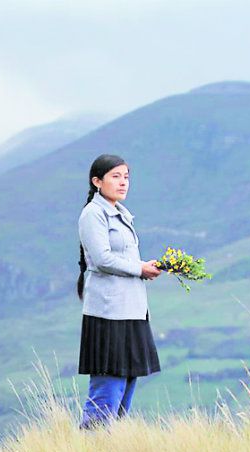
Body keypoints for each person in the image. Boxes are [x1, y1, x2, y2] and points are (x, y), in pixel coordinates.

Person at [76, 153, 163, 430]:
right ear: (97, 181)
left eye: (126, 176)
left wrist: (144, 267)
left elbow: (123, 259)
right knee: (107, 389)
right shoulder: (93, 214)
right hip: (109, 313)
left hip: (132, 310)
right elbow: (101, 259)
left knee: (126, 385)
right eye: (116, 176)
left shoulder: (122, 214)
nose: (123, 182)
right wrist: (139, 269)